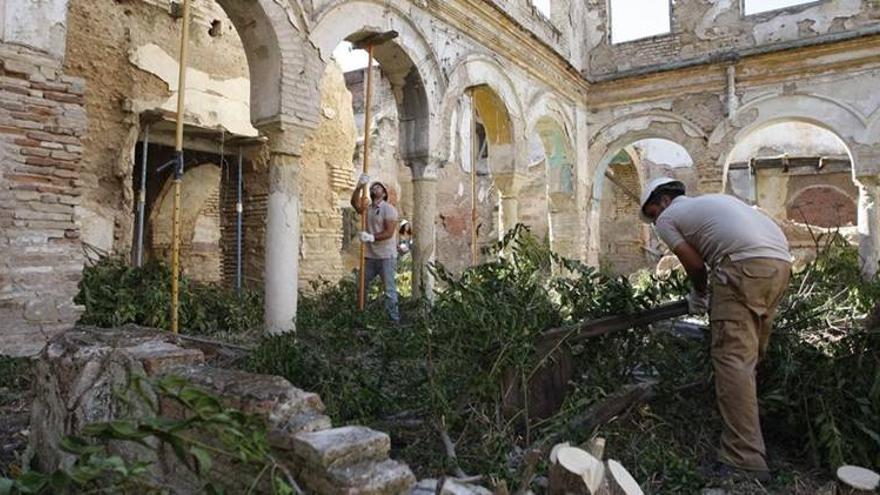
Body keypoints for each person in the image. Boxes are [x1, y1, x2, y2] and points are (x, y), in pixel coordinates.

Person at [639, 177, 792, 482]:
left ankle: (743, 459)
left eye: (653, 212)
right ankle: (761, 431)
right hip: (779, 265)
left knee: (732, 361)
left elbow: (696, 266)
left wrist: (699, 294)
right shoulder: (716, 202)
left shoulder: (667, 218)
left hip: (741, 266)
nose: (655, 220)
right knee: (750, 359)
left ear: (664, 200)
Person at [351, 173, 400, 322]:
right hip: (370, 257)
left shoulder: (389, 209)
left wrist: (371, 237)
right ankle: (361, 315)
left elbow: (389, 232)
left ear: (384, 193)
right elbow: (354, 203)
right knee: (361, 285)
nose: (374, 187)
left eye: (378, 187)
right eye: (373, 186)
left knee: (389, 291)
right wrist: (359, 187)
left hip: (386, 257)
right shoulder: (368, 208)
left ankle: (394, 321)